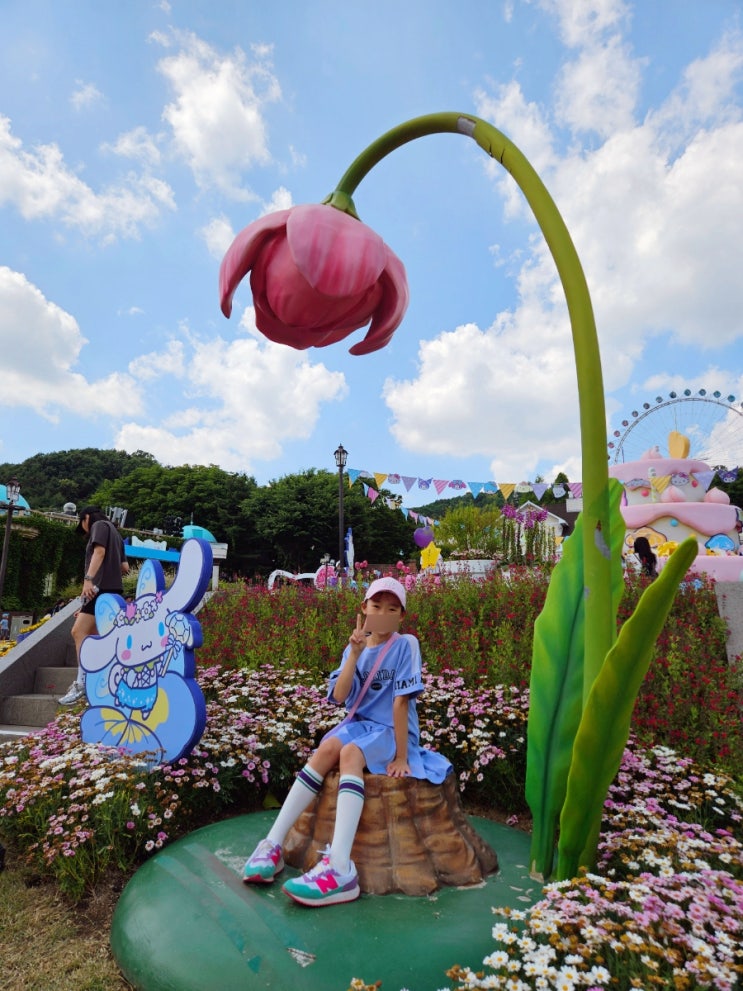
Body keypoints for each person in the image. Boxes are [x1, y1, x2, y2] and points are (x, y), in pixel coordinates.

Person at [241, 576, 451, 907]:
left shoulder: (406, 645)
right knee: (326, 749)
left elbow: (401, 703)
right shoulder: (355, 646)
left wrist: (401, 755)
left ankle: (340, 867)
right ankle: (273, 843)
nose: (383, 614)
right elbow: (339, 697)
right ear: (364, 608)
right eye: (377, 606)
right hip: (359, 724)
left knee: (350, 753)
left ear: (401, 615)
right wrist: (353, 654)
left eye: (392, 609)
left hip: (390, 730)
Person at [58, 507, 130, 705]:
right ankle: (101, 680)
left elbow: (99, 551)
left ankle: (82, 683)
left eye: (82, 524)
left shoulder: (98, 525)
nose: (85, 530)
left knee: (78, 632)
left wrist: (88, 580)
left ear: (86, 517)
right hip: (113, 592)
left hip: (99, 590)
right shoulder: (116, 533)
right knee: (96, 636)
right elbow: (125, 568)